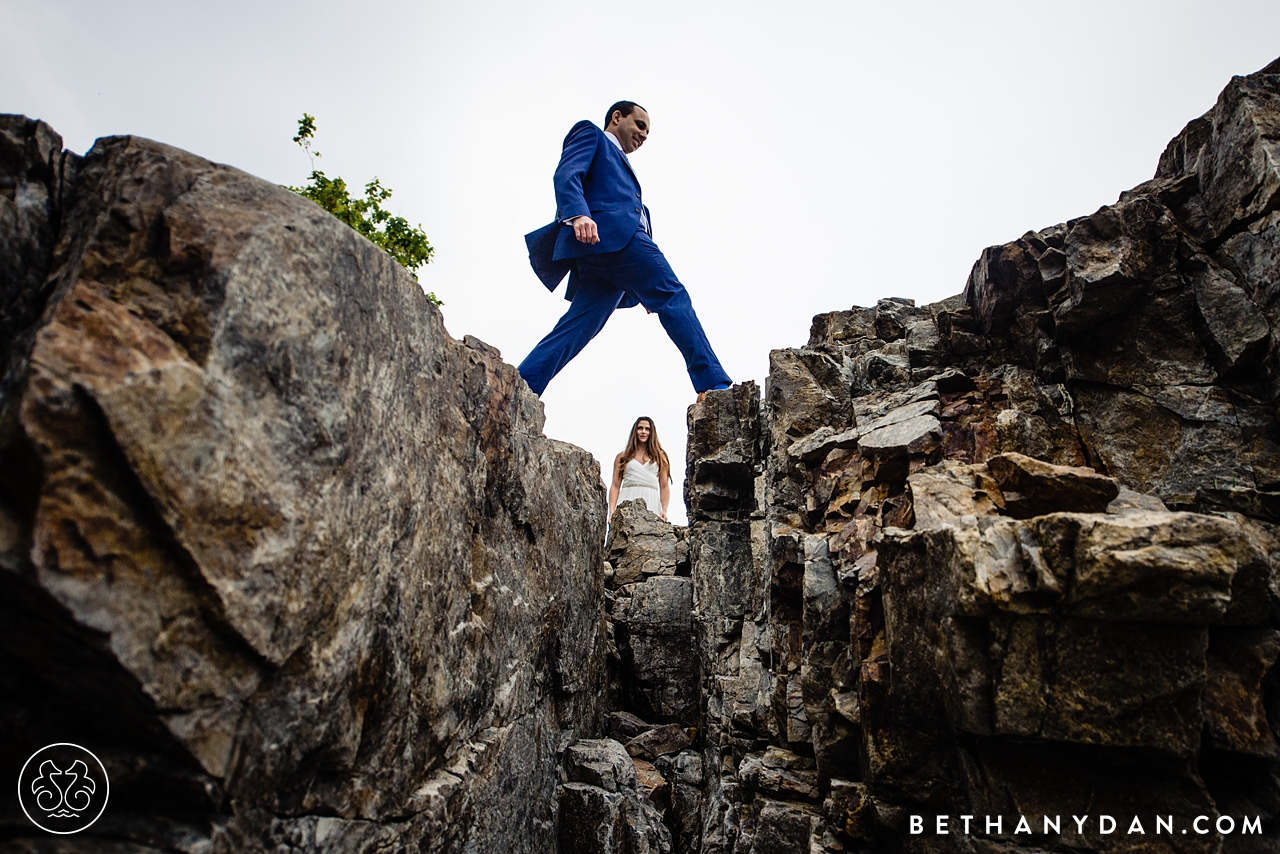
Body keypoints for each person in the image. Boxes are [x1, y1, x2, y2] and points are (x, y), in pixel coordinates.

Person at [519, 101, 732, 402]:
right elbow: (567, 173)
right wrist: (578, 214)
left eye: (648, 132)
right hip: (612, 236)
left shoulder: (622, 162)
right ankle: (713, 383)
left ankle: (523, 385)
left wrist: (642, 288)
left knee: (577, 328)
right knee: (673, 295)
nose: (644, 135)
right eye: (640, 125)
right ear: (617, 117)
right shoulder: (591, 134)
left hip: (609, 256)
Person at [608, 416, 672, 520]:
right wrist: (612, 511)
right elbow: (615, 485)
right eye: (640, 428)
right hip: (627, 498)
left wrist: (664, 509)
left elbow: (664, 486)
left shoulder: (660, 457)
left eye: (647, 429)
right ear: (635, 431)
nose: (643, 431)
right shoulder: (622, 457)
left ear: (652, 432)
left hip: (651, 499)